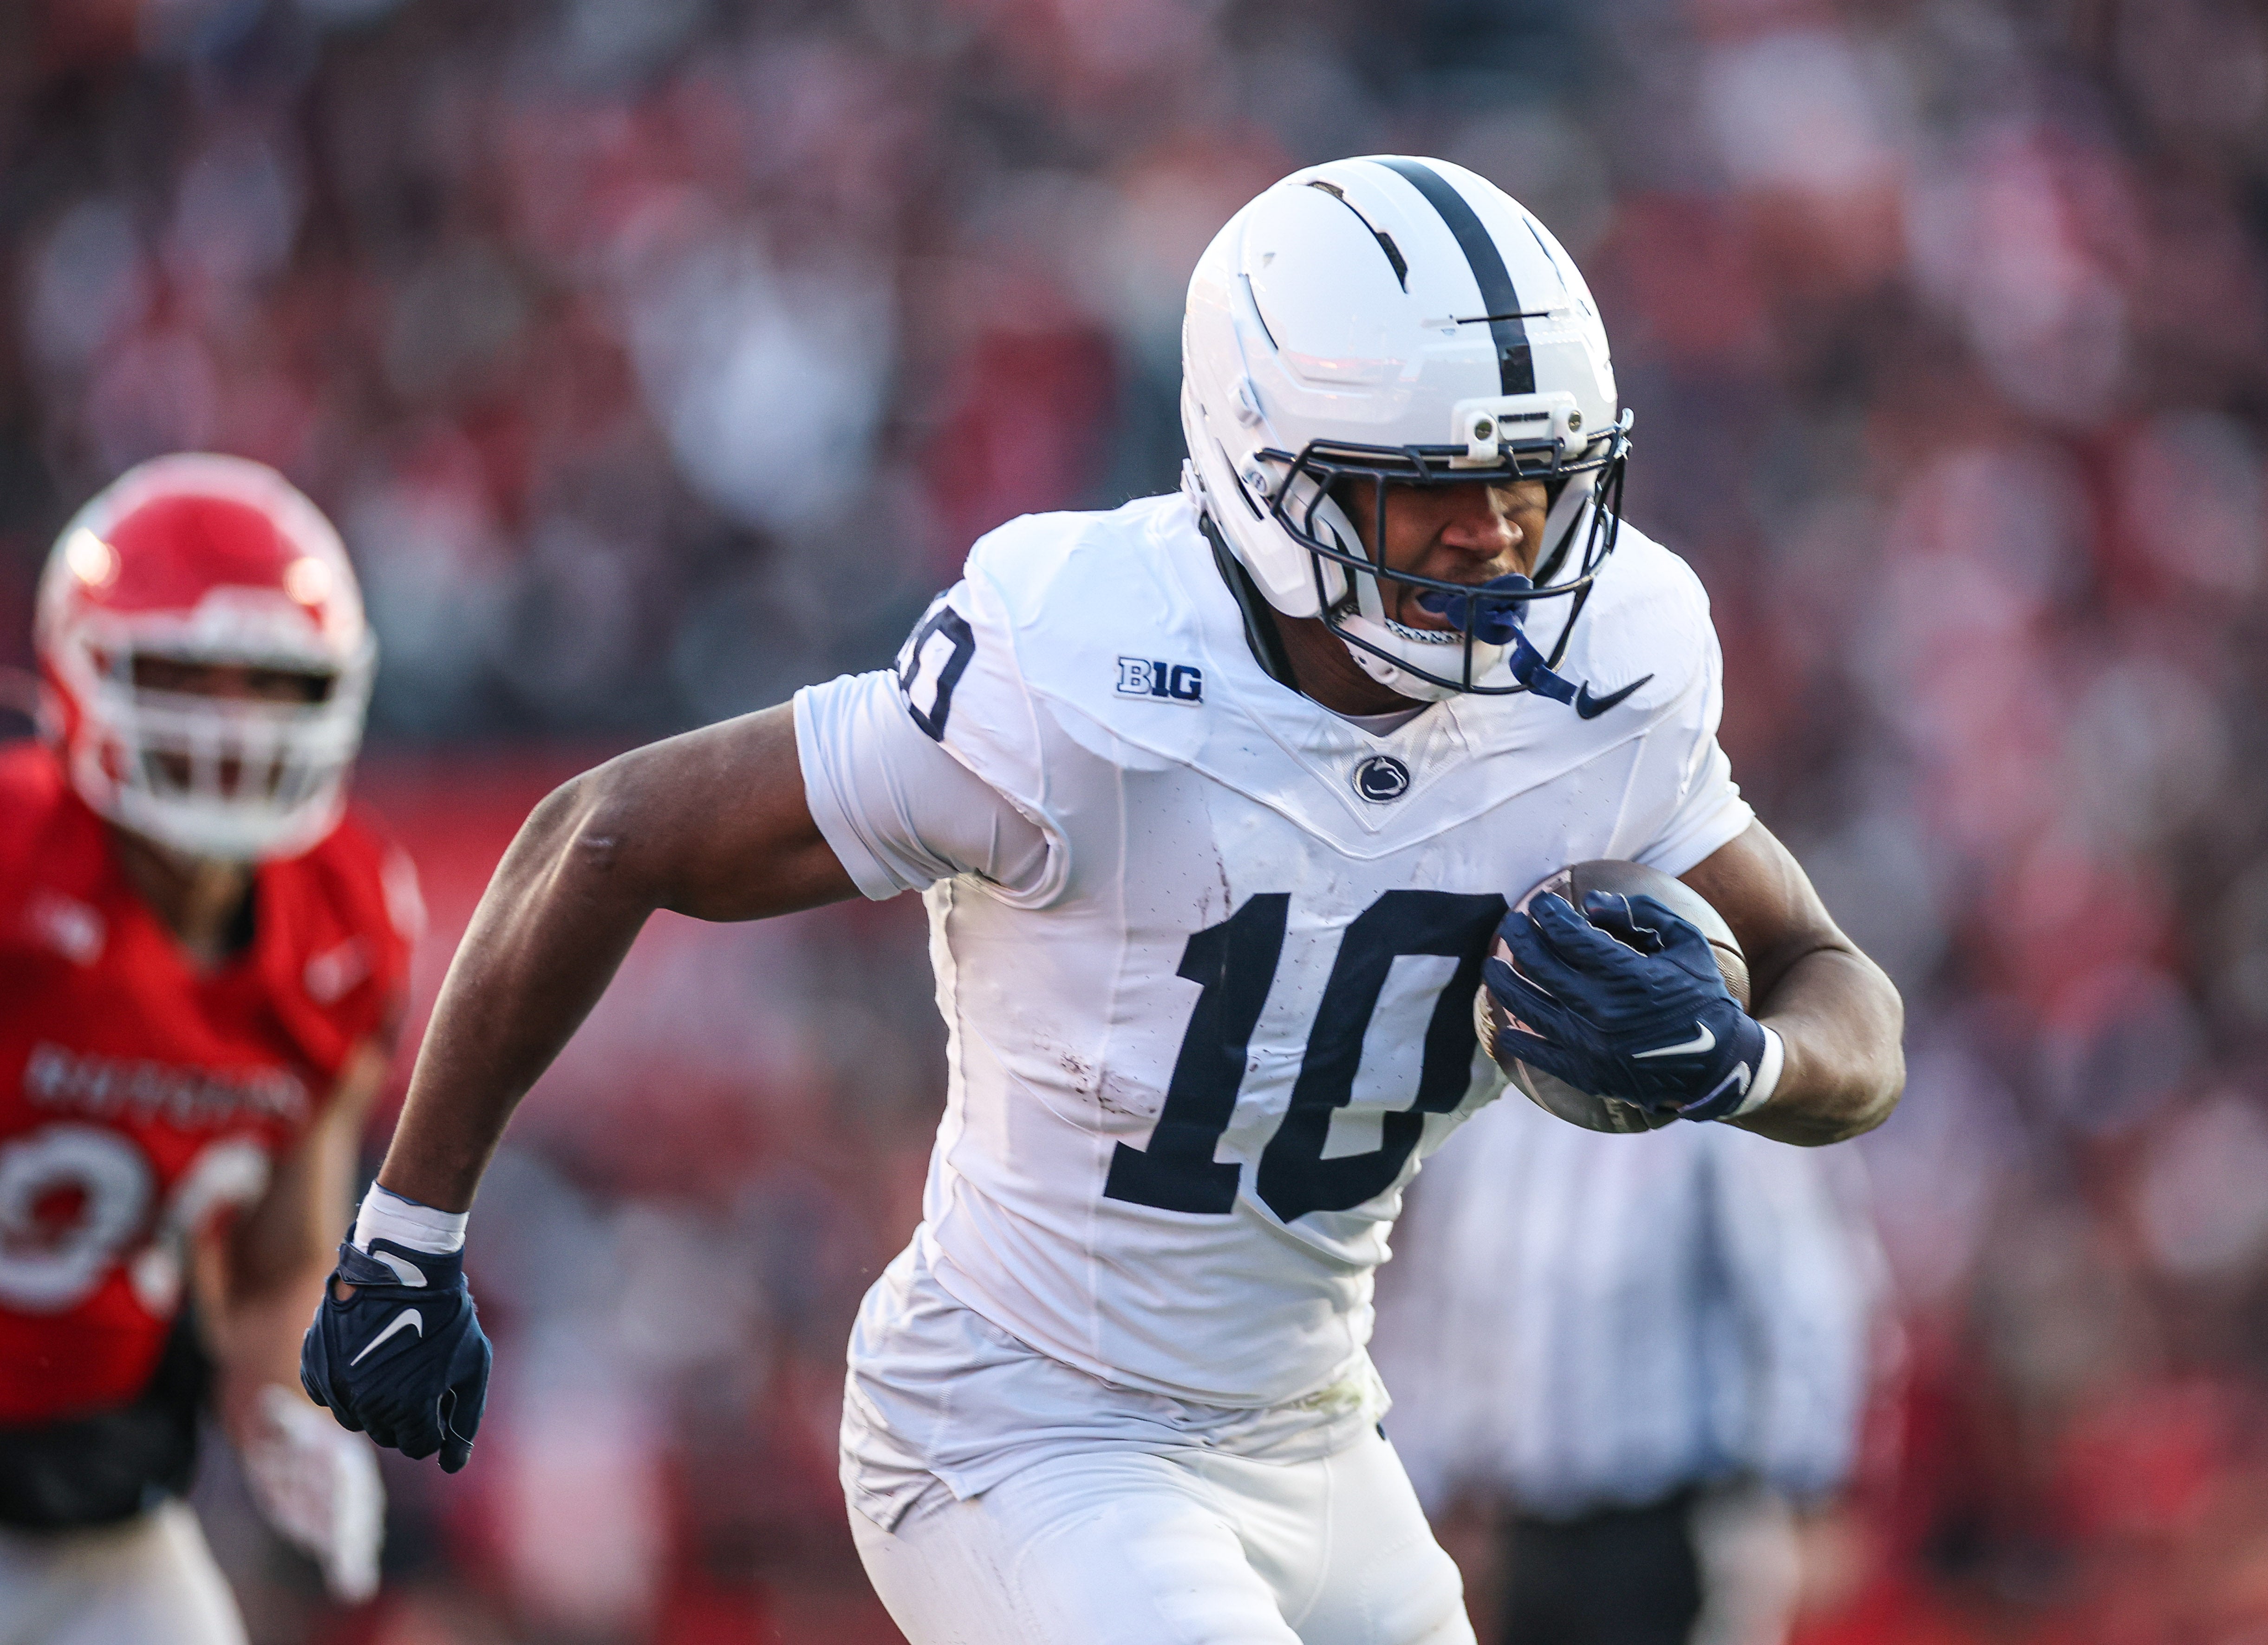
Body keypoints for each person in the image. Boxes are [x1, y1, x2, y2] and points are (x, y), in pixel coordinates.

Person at [305, 155, 1905, 1644]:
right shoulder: (1084, 668)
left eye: (1538, 485)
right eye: (1429, 492)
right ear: (1272, 474)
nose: (1497, 539)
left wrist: (1740, 1064)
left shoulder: (1609, 671)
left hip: (1318, 1434)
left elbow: (1836, 986)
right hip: (1024, 1418)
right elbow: (608, 830)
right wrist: (405, 1235)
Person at [0, 454, 411, 1641]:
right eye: (185, 672)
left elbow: (281, 1262)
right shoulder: (17, 860)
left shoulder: (346, 926)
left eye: (272, 682)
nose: (230, 721)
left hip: (97, 1503)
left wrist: (289, 1402)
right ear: (86, 670)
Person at [1375, 1096, 1881, 1645]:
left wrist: (1809, 1482)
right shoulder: (1486, 1119)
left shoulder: (1710, 1107)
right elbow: (1443, 1304)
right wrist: (1437, 1481)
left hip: (1670, 1517)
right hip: (1524, 1518)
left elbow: (1800, 1293)